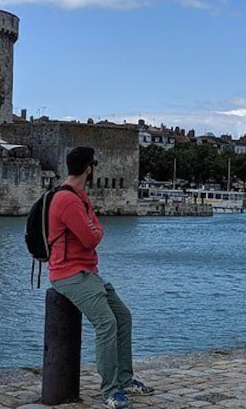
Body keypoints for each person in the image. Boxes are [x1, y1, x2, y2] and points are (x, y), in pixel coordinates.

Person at [48, 146, 153, 409]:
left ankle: (124, 379)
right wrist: (96, 228)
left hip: (86, 273)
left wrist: (94, 227)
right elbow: (91, 237)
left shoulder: (78, 196)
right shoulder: (69, 200)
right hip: (69, 274)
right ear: (89, 169)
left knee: (123, 316)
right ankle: (110, 390)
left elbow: (92, 231)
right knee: (106, 323)